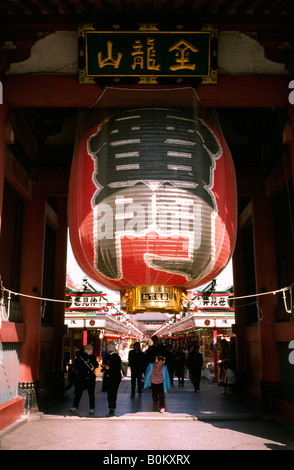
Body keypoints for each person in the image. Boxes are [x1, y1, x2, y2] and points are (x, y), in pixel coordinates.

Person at [69, 343, 99, 414]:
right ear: (87, 350)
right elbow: (75, 367)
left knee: (91, 393)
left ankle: (92, 408)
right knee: (78, 392)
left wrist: (92, 365)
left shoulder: (92, 357)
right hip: (81, 377)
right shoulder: (80, 358)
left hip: (91, 377)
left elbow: (96, 364)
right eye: (91, 350)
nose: (92, 352)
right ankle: (75, 406)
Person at [102, 341, 122, 415]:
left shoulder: (115, 357)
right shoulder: (111, 356)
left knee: (111, 392)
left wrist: (108, 367)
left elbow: (117, 368)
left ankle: (112, 405)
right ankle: (112, 405)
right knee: (112, 392)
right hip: (113, 377)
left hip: (113, 378)